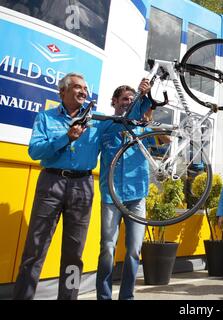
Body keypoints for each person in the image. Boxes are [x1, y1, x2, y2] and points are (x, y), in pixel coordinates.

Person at [13, 73, 105, 300]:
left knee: (75, 253)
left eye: (85, 88)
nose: (83, 91)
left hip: (82, 186)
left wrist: (144, 95)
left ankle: (69, 297)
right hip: (51, 183)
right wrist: (66, 137)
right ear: (62, 92)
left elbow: (129, 116)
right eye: (77, 87)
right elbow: (35, 152)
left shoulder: (98, 122)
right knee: (35, 249)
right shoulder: (45, 118)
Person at [96, 81, 152, 300]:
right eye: (124, 99)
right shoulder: (104, 126)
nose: (128, 102)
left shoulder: (140, 125)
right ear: (114, 102)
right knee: (107, 248)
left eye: (131, 99)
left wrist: (146, 95)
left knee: (133, 251)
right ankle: (104, 296)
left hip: (137, 196)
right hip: (111, 196)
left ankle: (127, 296)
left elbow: (163, 141)